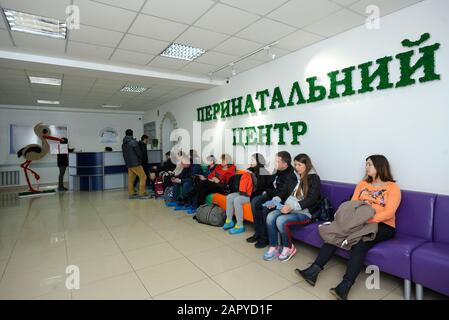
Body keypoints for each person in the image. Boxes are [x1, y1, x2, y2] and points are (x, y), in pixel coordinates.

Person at [296, 155, 401, 300]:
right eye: (366, 164)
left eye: (369, 164)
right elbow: (352, 205)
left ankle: (345, 286)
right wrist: (352, 221)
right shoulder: (363, 184)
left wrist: (364, 220)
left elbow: (389, 212)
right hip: (359, 221)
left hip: (383, 225)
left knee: (359, 241)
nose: (366, 167)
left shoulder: (392, 187)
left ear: (379, 166)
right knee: (337, 232)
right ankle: (313, 271)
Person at [263, 154, 321, 262]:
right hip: (288, 208)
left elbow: (312, 199)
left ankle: (288, 247)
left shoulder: (314, 178)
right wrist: (275, 201)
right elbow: (283, 191)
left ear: (306, 165)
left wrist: (291, 207)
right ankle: (274, 246)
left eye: (300, 165)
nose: (297, 167)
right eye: (295, 164)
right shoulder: (293, 176)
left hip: (304, 213)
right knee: (270, 216)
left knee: (281, 220)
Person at [247, 151, 298, 249]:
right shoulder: (277, 170)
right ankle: (258, 233)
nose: (275, 163)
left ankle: (264, 238)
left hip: (281, 199)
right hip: (272, 194)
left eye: (277, 161)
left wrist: (268, 191)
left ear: (285, 164)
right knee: (255, 201)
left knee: (266, 207)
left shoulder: (290, 175)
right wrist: (266, 191)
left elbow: (282, 193)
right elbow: (270, 183)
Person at [223, 153, 271, 235]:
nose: (250, 161)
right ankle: (229, 220)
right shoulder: (249, 169)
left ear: (258, 161)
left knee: (237, 200)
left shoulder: (264, 172)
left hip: (254, 195)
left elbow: (261, 187)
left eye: (252, 160)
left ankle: (239, 225)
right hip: (244, 192)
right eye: (250, 160)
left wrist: (252, 175)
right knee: (230, 197)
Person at [122, 129, 148, 199]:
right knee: (143, 177)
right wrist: (140, 159)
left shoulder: (124, 143)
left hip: (129, 164)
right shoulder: (133, 142)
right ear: (132, 134)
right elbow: (139, 153)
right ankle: (142, 193)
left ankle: (131, 193)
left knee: (131, 179)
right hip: (136, 163)